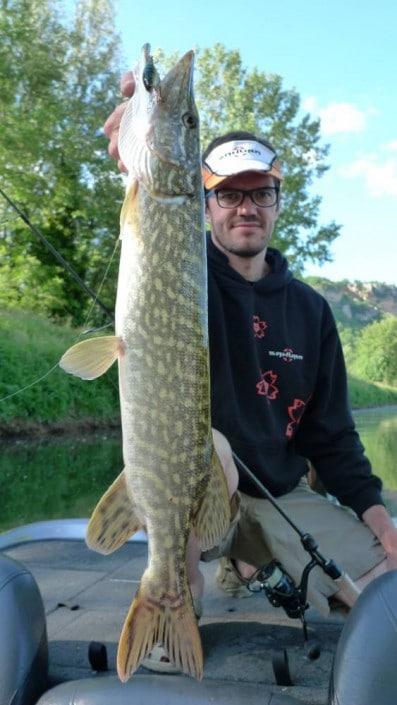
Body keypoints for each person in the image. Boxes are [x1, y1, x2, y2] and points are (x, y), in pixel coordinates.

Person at [104, 72, 397, 670]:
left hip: (282, 495)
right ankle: (180, 591)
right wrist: (131, 159)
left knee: (382, 600)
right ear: (204, 202)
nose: (245, 207)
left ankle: (250, 561)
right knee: (202, 446)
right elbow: (148, 209)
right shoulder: (185, 271)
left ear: (277, 202)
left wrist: (380, 520)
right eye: (229, 194)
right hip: (204, 496)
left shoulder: (311, 311)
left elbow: (333, 437)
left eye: (260, 192)